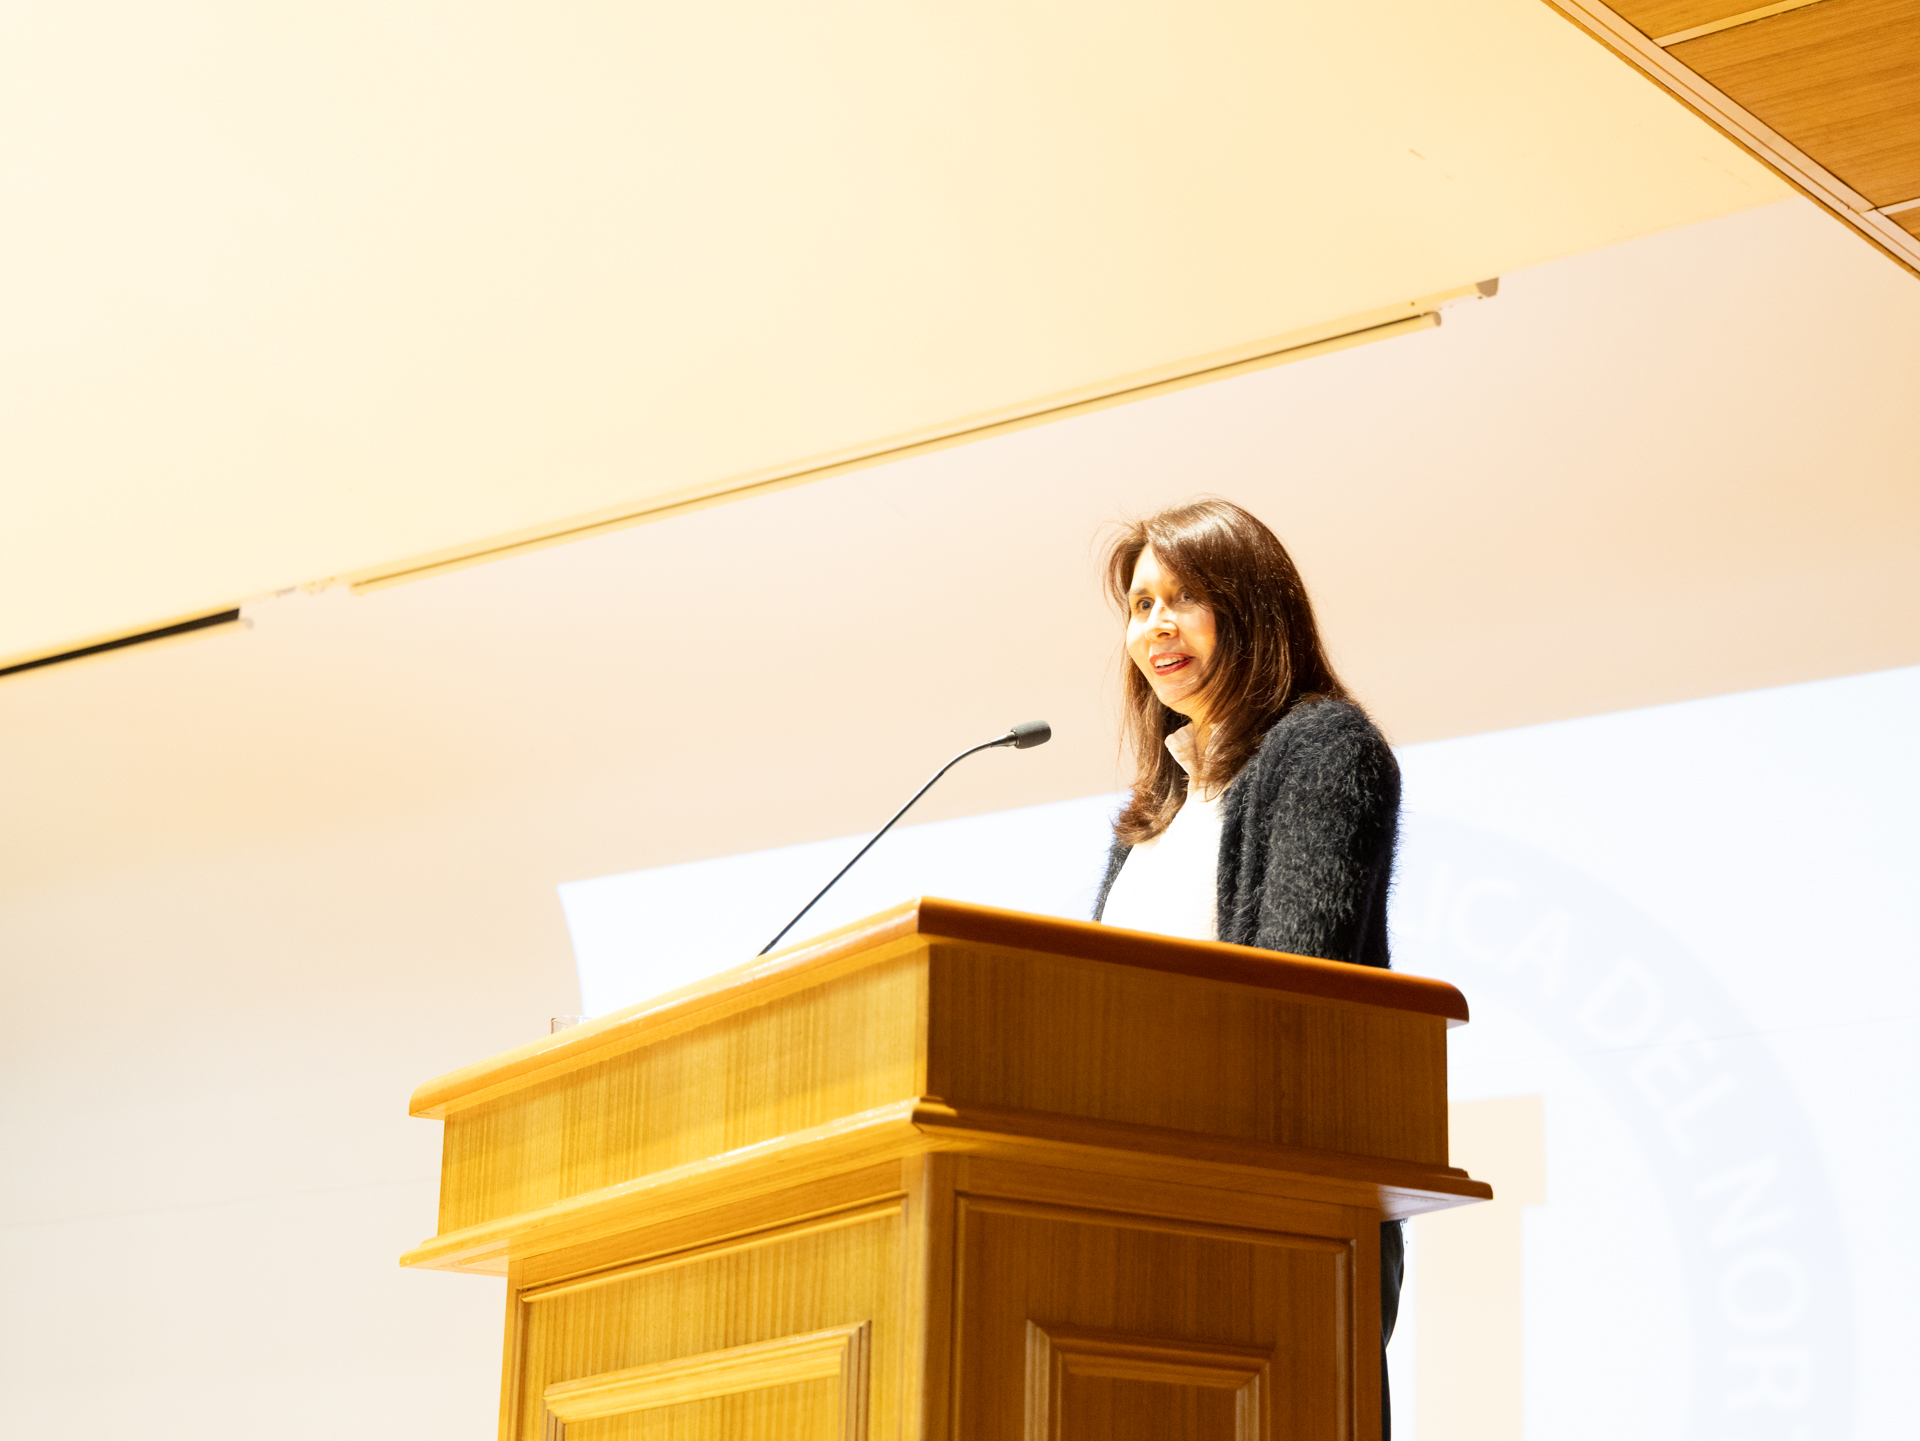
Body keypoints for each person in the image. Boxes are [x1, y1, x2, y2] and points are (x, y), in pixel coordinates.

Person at [1093, 497, 1405, 1438]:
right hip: (1126, 1200)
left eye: (1183, 597)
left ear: (1252, 604)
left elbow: (1293, 986)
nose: (1156, 626)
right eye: (1140, 605)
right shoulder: (1156, 810)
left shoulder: (1321, 747)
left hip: (1268, 1201)